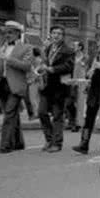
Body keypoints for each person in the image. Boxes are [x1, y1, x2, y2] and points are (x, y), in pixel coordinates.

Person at [0, 21, 34, 153]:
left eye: (10, 32)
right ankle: (19, 142)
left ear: (17, 34)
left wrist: (8, 59)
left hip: (16, 85)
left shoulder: (26, 47)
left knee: (9, 114)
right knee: (12, 114)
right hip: (2, 84)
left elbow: (27, 66)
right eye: (6, 33)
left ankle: (5, 145)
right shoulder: (2, 47)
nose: (7, 35)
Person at [72, 31, 100, 155]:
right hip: (94, 90)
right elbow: (88, 70)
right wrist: (89, 72)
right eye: (98, 41)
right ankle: (84, 143)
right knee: (89, 118)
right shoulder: (94, 55)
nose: (99, 43)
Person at [38, 25, 74, 153]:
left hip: (59, 87)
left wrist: (52, 69)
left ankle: (57, 143)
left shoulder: (68, 50)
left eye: (59, 33)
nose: (56, 35)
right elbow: (44, 63)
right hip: (46, 86)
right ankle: (49, 139)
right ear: (51, 34)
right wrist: (41, 67)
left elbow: (68, 66)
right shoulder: (47, 48)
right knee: (41, 112)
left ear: (63, 36)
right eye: (54, 33)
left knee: (57, 116)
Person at [66, 41, 87, 132]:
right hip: (71, 82)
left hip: (80, 83)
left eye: (75, 45)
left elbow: (84, 70)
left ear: (80, 47)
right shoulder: (71, 57)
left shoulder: (85, 57)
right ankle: (71, 121)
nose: (73, 47)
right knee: (69, 103)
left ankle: (78, 124)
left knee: (79, 104)